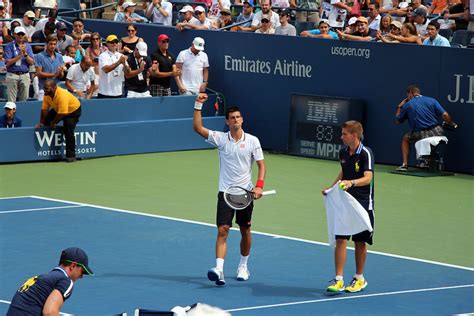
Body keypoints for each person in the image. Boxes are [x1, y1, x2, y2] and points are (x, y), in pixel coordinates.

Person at [193, 93, 266, 285]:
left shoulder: (253, 141)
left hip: (246, 194)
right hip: (225, 193)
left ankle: (243, 266)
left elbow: (262, 166)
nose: (236, 120)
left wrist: (259, 187)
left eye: (238, 117)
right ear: (227, 121)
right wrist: (198, 104)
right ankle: (219, 269)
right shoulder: (220, 138)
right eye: (232, 118)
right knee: (223, 230)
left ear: (242, 119)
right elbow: (197, 128)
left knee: (245, 231)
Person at [322, 120, 374, 293]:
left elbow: (368, 178)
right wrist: (332, 187)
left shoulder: (366, 153)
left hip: (362, 204)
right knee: (341, 239)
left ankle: (359, 278)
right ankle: (338, 280)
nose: (341, 137)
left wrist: (352, 183)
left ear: (354, 135)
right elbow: (343, 172)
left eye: (344, 134)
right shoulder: (343, 152)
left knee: (360, 242)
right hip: (344, 202)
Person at [6, 247, 93, 315]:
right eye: (82, 271)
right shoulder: (65, 281)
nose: (81, 276)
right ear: (73, 266)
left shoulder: (41, 278)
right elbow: (49, 312)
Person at [395, 85, 457, 171]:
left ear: (411, 93)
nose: (407, 97)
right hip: (438, 131)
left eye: (407, 95)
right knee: (435, 131)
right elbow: (445, 115)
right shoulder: (432, 100)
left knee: (405, 139)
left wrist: (399, 107)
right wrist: (451, 123)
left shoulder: (407, 105)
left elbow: (398, 121)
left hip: (420, 133)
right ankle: (428, 160)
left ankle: (404, 164)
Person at [35, 80, 82, 162]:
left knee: (68, 130)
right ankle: (45, 151)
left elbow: (62, 113)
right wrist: (42, 122)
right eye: (44, 88)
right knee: (47, 120)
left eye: (46, 88)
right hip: (58, 109)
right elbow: (44, 110)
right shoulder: (47, 95)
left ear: (54, 88)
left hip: (73, 111)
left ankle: (71, 156)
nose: (44, 90)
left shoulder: (62, 95)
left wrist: (53, 122)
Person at [4, 26, 35, 102]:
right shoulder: (9, 46)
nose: (20, 36)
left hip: (24, 74)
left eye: (22, 34)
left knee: (24, 100)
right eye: (19, 34)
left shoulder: (28, 46)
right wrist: (19, 56)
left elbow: (31, 62)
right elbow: (7, 63)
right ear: (14, 34)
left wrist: (25, 54)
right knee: (11, 101)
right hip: (12, 74)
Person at [34, 34, 65, 101]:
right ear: (46, 44)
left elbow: (61, 76)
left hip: (57, 89)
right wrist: (54, 74)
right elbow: (39, 73)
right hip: (44, 89)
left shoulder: (59, 56)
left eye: (54, 44)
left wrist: (60, 72)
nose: (53, 46)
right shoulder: (39, 56)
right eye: (51, 44)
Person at [98, 34, 127, 98]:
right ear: (107, 43)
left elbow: (127, 73)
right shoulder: (103, 56)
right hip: (105, 92)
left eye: (116, 42)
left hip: (119, 92)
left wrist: (126, 65)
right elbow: (106, 69)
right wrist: (119, 62)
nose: (114, 44)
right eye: (112, 42)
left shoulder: (121, 55)